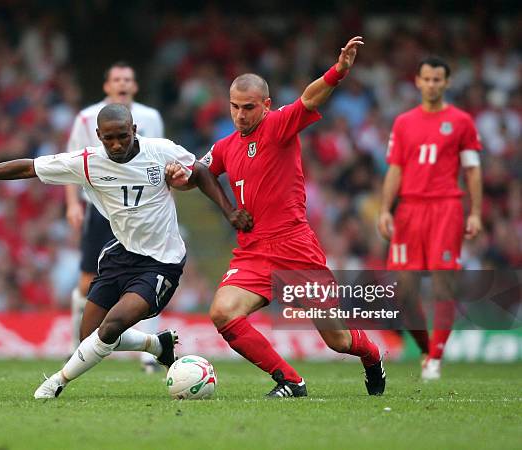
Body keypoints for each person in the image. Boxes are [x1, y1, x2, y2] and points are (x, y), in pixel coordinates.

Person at [0, 104, 252, 399]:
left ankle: (56, 382)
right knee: (92, 336)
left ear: (134, 130)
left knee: (111, 328)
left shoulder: (161, 151)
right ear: (98, 136)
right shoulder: (87, 162)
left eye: (122, 136)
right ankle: (157, 344)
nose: (115, 144)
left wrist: (228, 211)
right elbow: (29, 167)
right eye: (108, 138)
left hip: (161, 262)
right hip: (121, 255)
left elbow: (201, 173)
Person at [167, 36, 386, 397]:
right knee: (223, 313)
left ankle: (373, 356)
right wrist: (182, 177)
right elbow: (200, 173)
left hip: (295, 248)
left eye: (248, 107)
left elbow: (309, 99)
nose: (240, 115)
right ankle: (291, 380)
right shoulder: (224, 145)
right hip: (253, 251)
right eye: (235, 107)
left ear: (266, 105)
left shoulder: (279, 125)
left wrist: (338, 72)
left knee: (338, 339)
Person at [378, 57, 482, 380]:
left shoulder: (461, 121)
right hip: (409, 209)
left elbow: (472, 169)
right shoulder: (404, 122)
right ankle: (426, 349)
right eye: (427, 79)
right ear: (418, 82)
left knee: (442, 286)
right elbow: (395, 169)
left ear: (447, 83)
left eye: (439, 79)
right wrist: (385, 209)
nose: (433, 84)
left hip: (446, 207)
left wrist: (476, 212)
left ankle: (435, 358)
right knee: (404, 291)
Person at [66, 61, 166, 372]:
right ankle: (78, 346)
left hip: (141, 210)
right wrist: (72, 205)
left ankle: (150, 354)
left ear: (134, 86)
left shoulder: (150, 118)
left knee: (149, 273)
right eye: (117, 79)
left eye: (128, 79)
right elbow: (70, 164)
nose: (122, 84)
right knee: (86, 284)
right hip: (101, 208)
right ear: (107, 86)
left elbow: (161, 164)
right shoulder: (85, 118)